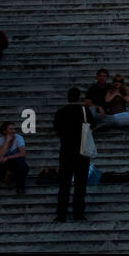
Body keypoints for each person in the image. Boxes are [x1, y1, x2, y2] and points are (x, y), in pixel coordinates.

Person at [53, 87, 91, 222]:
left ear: (68, 98)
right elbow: (92, 126)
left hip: (66, 152)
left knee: (64, 184)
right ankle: (78, 213)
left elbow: (56, 131)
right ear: (79, 97)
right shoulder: (84, 111)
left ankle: (61, 214)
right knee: (81, 185)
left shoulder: (60, 112)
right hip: (82, 152)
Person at [0, 120, 28, 195]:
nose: (14, 131)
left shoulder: (19, 138)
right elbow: (0, 155)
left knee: (23, 165)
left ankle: (20, 187)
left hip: (16, 162)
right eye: (11, 129)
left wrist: (8, 157)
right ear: (4, 131)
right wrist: (7, 141)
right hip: (5, 165)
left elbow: (23, 153)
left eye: (14, 129)